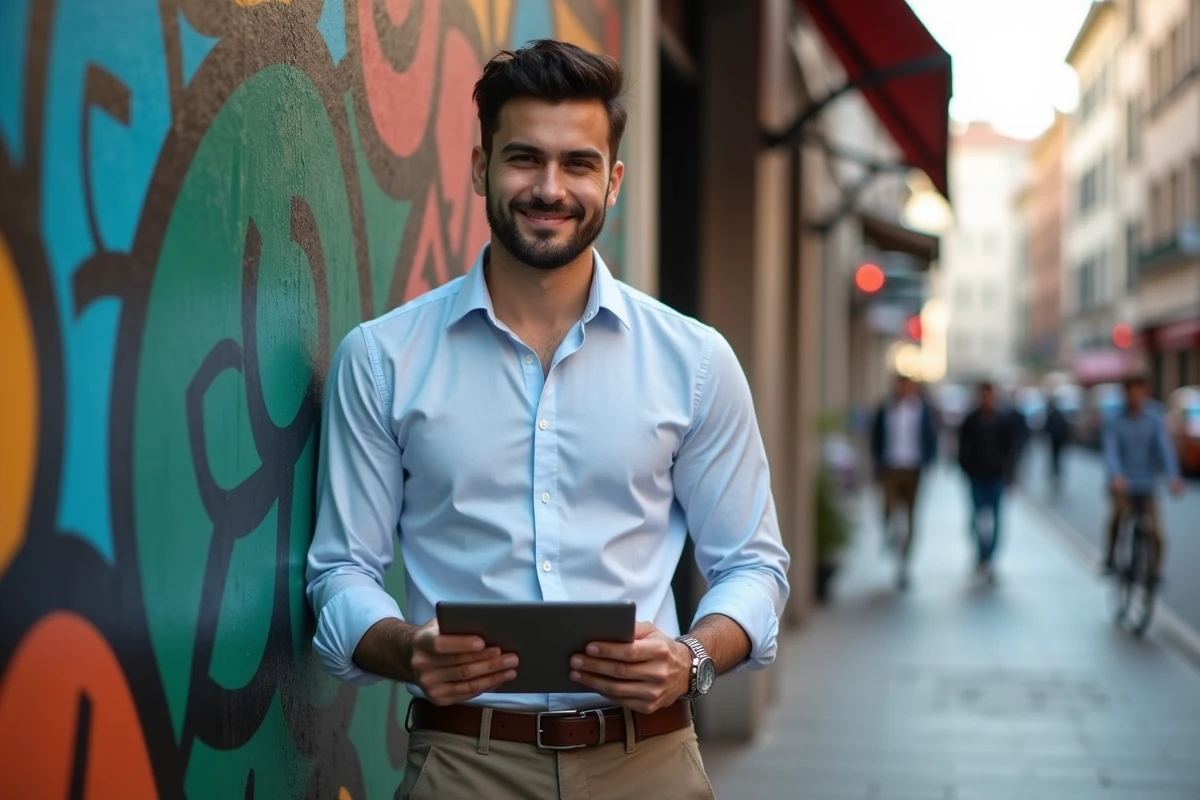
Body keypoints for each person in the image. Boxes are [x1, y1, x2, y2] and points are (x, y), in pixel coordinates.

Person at [305, 40, 790, 800]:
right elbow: (340, 573)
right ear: (480, 168)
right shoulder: (383, 358)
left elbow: (755, 568)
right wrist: (407, 651)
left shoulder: (694, 362)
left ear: (614, 180)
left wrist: (690, 658)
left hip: (649, 763)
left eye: (578, 164)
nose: (550, 188)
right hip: (463, 761)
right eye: (525, 158)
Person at [1101, 375, 1184, 584]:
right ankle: (1110, 557)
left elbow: (1164, 449)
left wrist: (1173, 476)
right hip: (1123, 484)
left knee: (1157, 532)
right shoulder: (1115, 419)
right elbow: (1111, 451)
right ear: (1126, 393)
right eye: (1132, 391)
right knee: (1118, 517)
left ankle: (1154, 571)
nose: (1136, 396)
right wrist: (1117, 475)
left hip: (1147, 483)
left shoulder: (1155, 417)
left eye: (1140, 391)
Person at [870, 375, 939, 589]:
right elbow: (876, 436)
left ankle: (904, 562)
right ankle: (890, 535)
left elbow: (930, 436)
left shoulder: (921, 410)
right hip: (891, 467)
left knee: (910, 515)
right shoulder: (886, 409)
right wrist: (877, 463)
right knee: (888, 508)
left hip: (913, 468)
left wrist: (929, 462)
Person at [956, 382, 1017, 581]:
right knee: (976, 517)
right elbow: (962, 447)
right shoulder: (971, 420)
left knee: (996, 518)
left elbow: (1010, 449)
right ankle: (980, 554)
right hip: (976, 476)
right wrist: (966, 469)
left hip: (996, 476)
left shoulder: (1002, 420)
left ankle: (990, 557)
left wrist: (1009, 474)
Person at [1043, 398, 1070, 495]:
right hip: (1060, 442)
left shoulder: (1051, 415)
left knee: (1053, 459)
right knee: (1057, 460)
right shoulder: (1060, 415)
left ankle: (1054, 474)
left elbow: (1046, 428)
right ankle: (1057, 474)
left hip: (1054, 442)